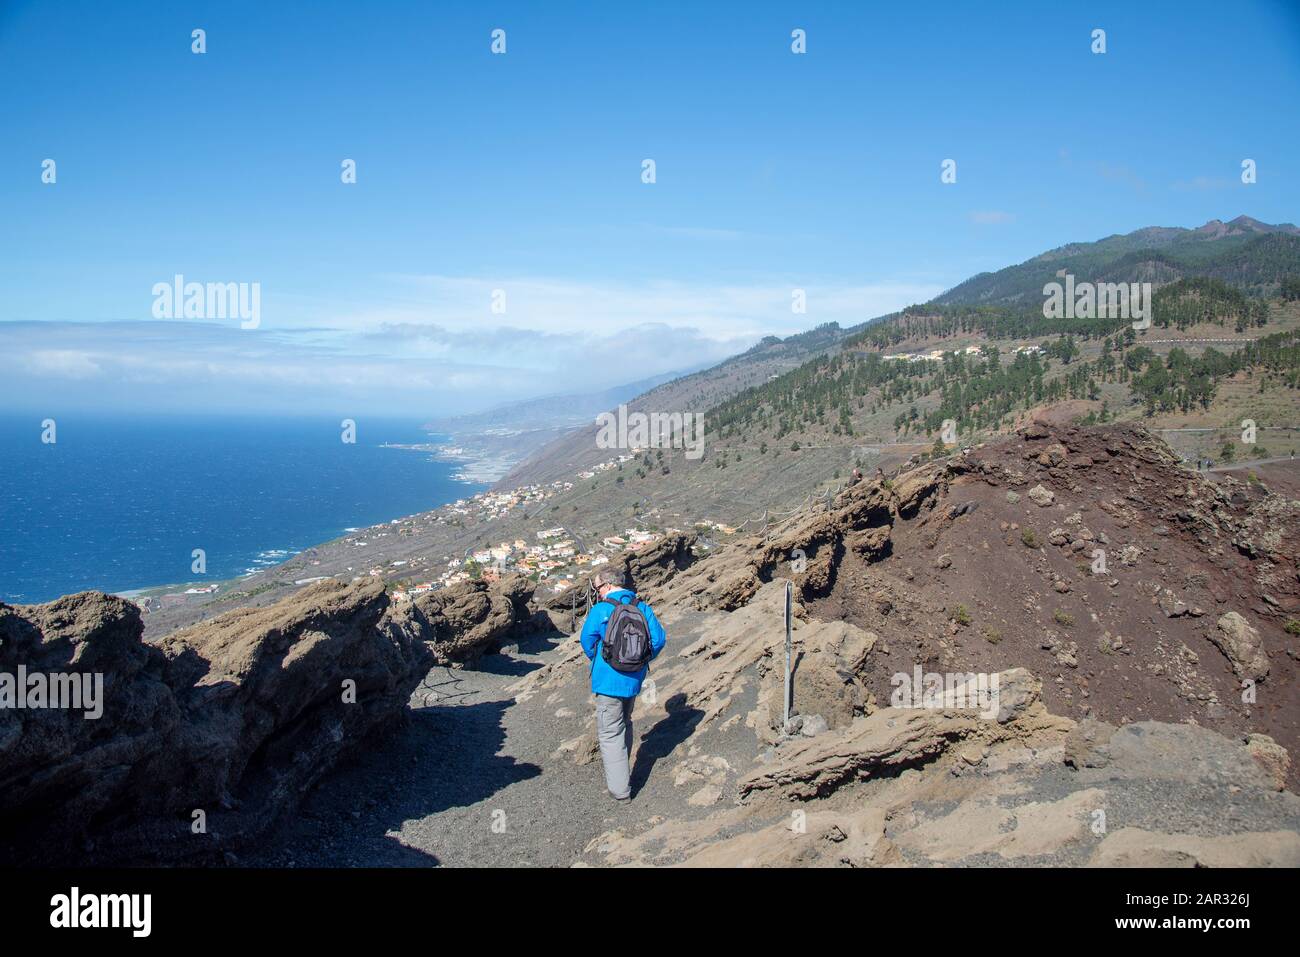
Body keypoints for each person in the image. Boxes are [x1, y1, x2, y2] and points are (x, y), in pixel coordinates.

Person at [578, 566, 666, 801]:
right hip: (634, 678)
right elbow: (658, 640)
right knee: (624, 723)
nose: (597, 593)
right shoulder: (642, 607)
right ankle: (622, 775)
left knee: (610, 732)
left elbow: (586, 640)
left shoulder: (601, 609)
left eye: (597, 588)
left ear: (607, 586)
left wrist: (600, 659)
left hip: (607, 680)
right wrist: (639, 660)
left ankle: (620, 791)